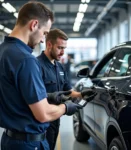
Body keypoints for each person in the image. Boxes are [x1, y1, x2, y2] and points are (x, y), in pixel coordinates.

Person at [0, 2, 87, 150]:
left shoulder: (4, 51)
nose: (42, 39)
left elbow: (17, 94)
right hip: (29, 143)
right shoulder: (26, 60)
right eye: (45, 33)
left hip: (9, 140)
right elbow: (44, 114)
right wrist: (66, 107)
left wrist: (51, 97)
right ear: (34, 25)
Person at [37, 28, 96, 150]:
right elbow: (35, 95)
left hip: (55, 119)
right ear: (49, 45)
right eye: (60, 48)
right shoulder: (36, 65)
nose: (63, 52)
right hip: (40, 122)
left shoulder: (60, 67)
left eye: (64, 48)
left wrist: (81, 94)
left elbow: (67, 90)